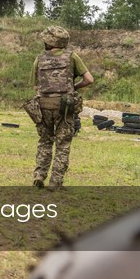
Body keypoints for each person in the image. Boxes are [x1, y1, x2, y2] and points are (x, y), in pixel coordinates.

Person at [31, 26, 94, 190]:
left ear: (49, 42)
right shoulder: (72, 57)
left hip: (43, 106)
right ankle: (55, 183)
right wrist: (74, 87)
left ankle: (39, 175)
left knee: (45, 141)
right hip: (64, 107)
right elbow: (89, 79)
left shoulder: (39, 59)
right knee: (62, 145)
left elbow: (36, 87)